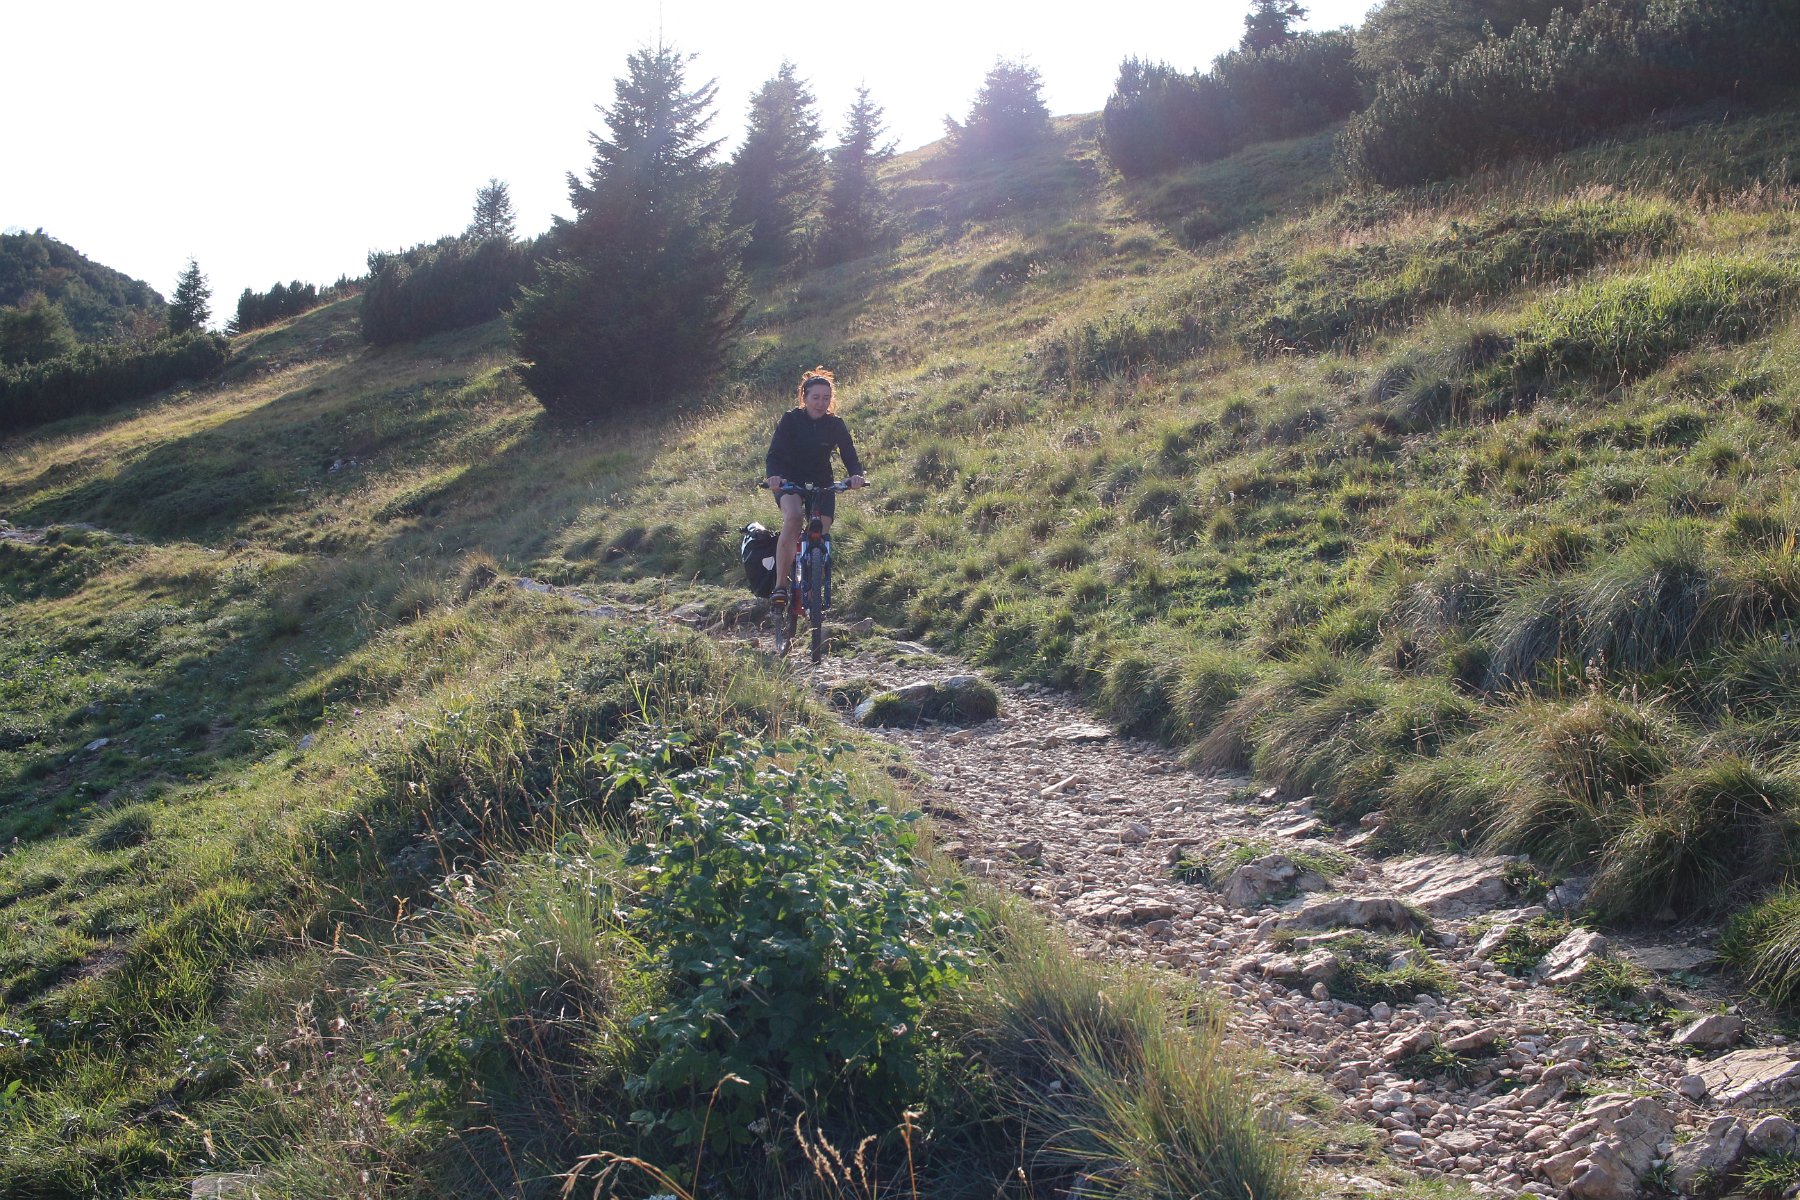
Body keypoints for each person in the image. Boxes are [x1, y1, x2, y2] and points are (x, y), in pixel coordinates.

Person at [764, 366, 867, 608]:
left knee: (821, 530)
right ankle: (780, 586)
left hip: (822, 482)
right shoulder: (791, 420)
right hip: (790, 480)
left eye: (826, 398)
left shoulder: (835, 424)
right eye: (816, 397)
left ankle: (813, 583)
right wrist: (774, 477)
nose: (821, 403)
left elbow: (849, 454)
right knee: (794, 518)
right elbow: (774, 454)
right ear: (805, 397)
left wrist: (856, 476)